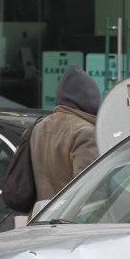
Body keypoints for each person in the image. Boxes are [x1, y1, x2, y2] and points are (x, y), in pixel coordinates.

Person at [29, 65, 101, 202]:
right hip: (70, 219)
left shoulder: (38, 127)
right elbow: (89, 190)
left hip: (41, 216)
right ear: (90, 99)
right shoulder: (85, 132)